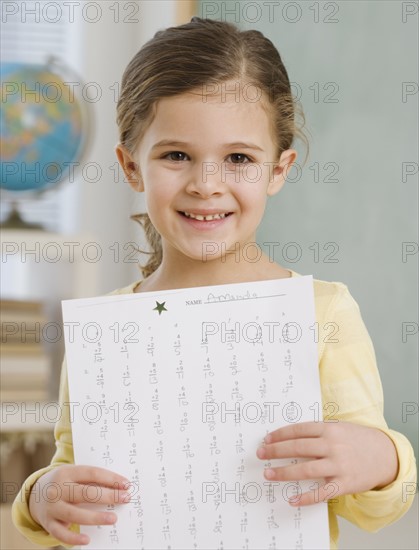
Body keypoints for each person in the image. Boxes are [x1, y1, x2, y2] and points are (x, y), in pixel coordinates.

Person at [12, 16, 416, 549]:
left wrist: (383, 458)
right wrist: (41, 496)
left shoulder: (322, 313)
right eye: (176, 155)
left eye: (239, 159)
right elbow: (72, 472)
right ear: (131, 166)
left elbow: (373, 505)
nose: (207, 185)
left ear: (279, 169)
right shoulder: (105, 331)